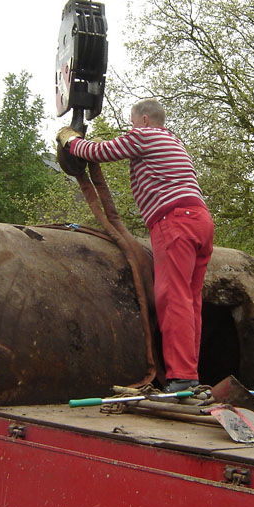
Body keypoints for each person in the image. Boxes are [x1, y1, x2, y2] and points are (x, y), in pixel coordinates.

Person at [57, 99, 215, 393]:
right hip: (200, 222)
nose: (131, 128)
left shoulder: (144, 136)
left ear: (143, 120)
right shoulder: (173, 141)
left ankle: (181, 378)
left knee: (173, 298)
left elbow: (99, 152)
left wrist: (70, 140)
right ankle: (189, 376)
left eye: (132, 122)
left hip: (174, 221)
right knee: (190, 301)